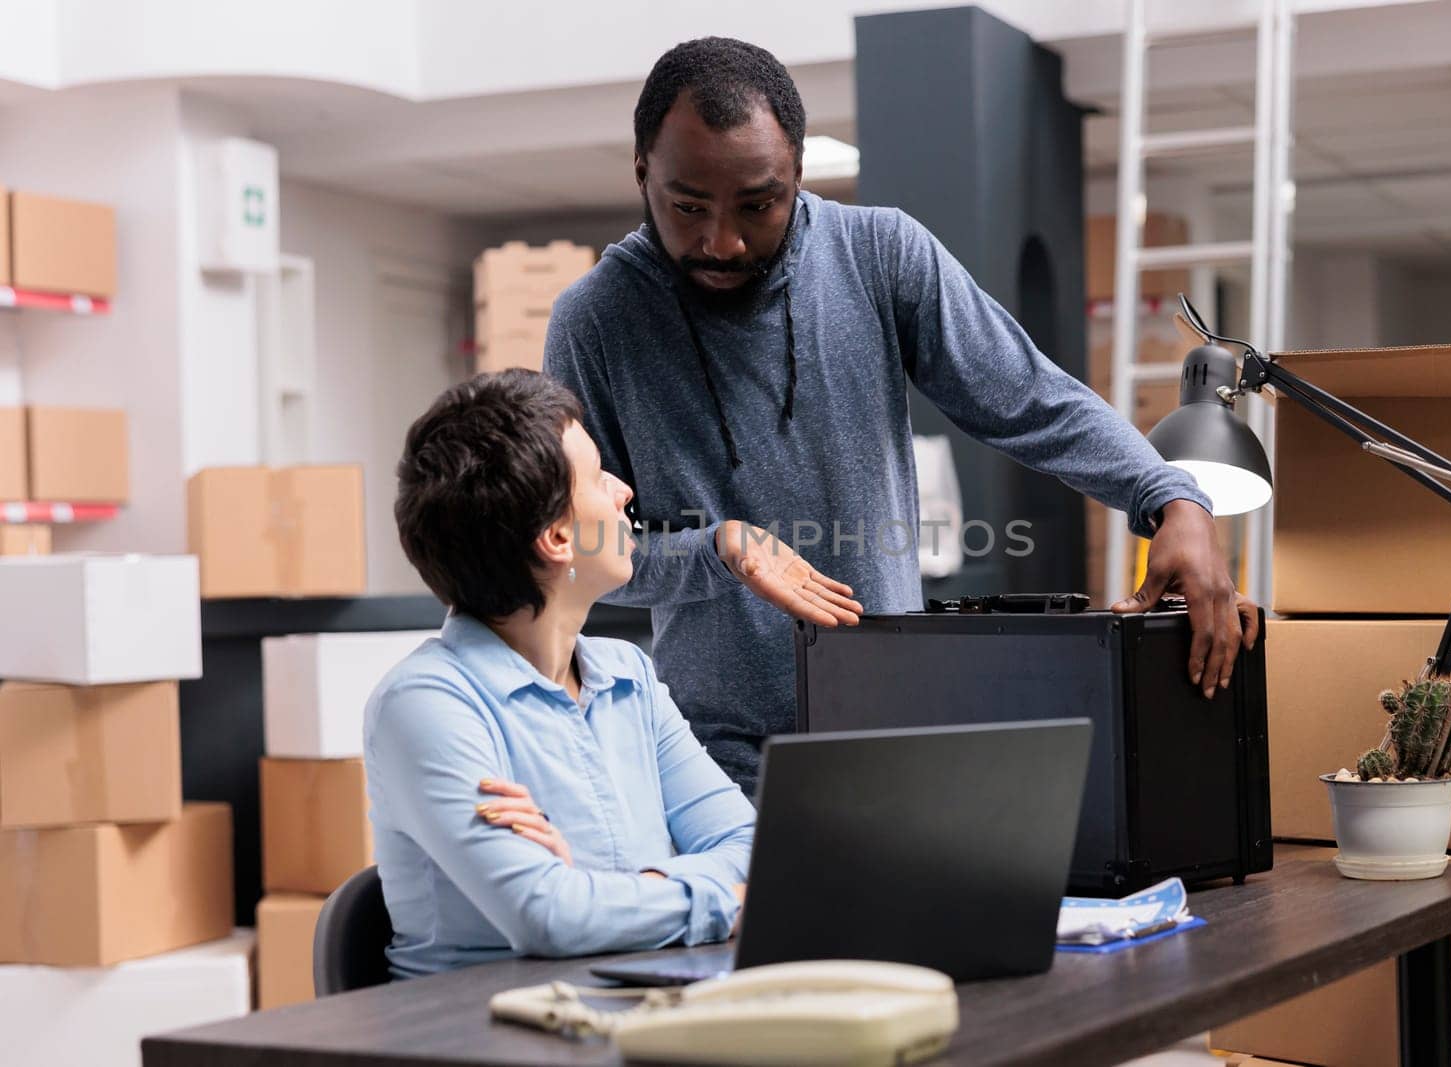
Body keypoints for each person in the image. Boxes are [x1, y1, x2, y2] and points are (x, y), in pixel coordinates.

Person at [545, 37, 1259, 795]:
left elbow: (1029, 399)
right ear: (641, 172)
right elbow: (586, 552)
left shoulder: (880, 257)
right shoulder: (597, 320)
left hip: (898, 732)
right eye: (688, 205)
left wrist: (1170, 495)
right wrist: (721, 551)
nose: (722, 240)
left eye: (759, 205)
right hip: (717, 763)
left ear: (798, 175)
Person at [365, 370, 753, 979]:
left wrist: (606, 891)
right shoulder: (425, 706)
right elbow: (552, 917)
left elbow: (752, 846)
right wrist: (716, 898)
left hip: (636, 1001)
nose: (624, 490)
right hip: (472, 1031)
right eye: (599, 478)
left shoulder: (629, 676)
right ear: (556, 538)